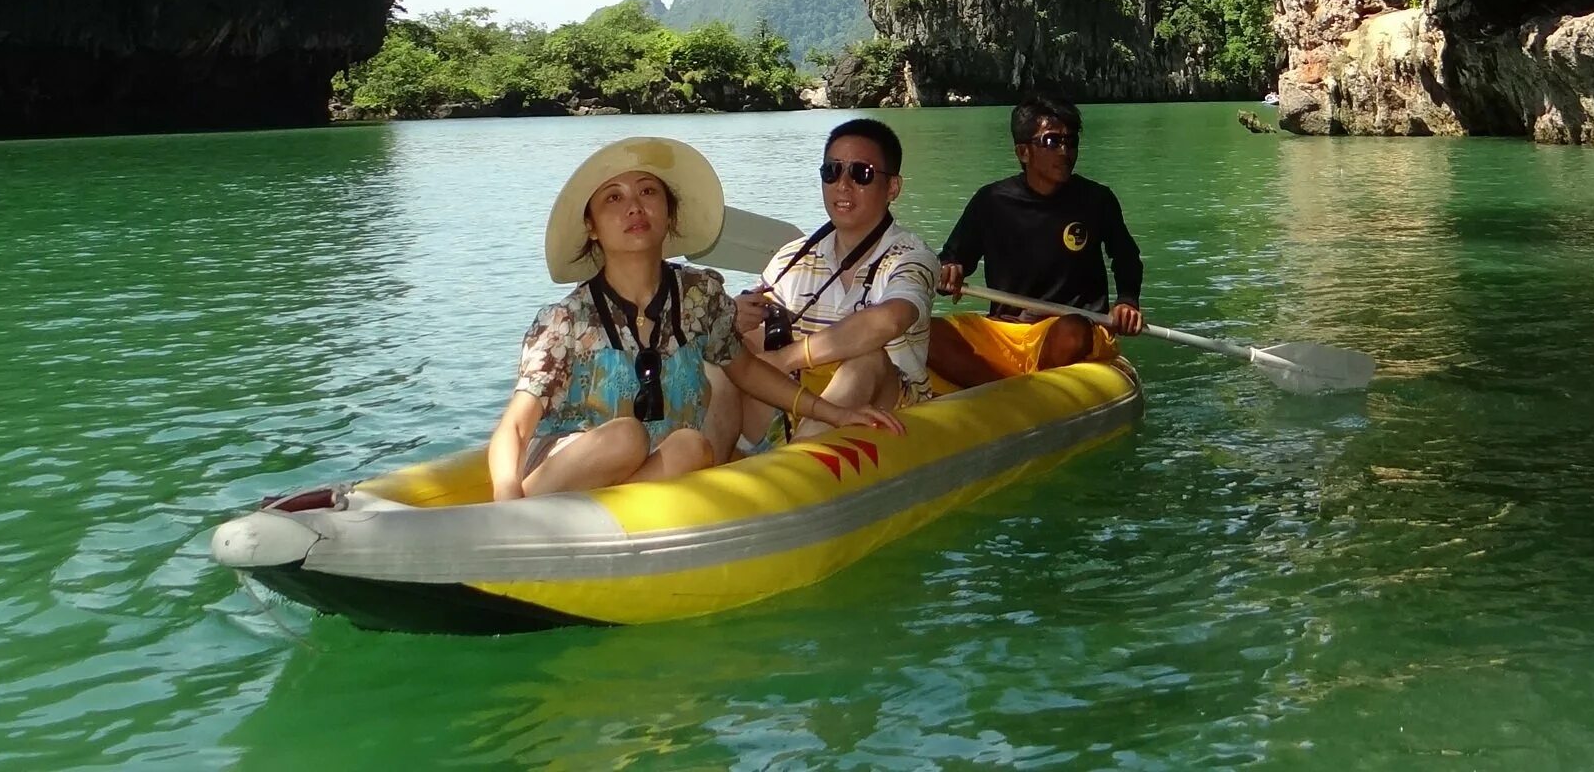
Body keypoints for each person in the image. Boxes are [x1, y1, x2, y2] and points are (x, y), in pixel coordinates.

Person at [486, 137, 903, 501]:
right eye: (613, 198)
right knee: (624, 436)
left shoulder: (699, 297)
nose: (634, 207)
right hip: (565, 473)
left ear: (669, 213)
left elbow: (747, 371)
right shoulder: (566, 321)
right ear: (591, 227)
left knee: (690, 446)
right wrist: (506, 501)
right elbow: (516, 428)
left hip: (651, 477)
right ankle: (526, 527)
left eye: (648, 192)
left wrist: (835, 414)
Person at [734, 118, 938, 442]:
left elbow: (889, 320)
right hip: (798, 405)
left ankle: (797, 467)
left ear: (893, 188)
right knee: (726, 348)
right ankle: (716, 458)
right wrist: (735, 318)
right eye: (832, 171)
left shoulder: (910, 257)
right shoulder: (791, 258)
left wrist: (785, 358)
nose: (843, 185)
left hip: (891, 415)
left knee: (868, 359)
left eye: (861, 174)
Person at [929, 95, 1144, 387]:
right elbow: (954, 259)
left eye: (1071, 142)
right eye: (1052, 141)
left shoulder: (1097, 200)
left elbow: (1126, 257)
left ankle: (1010, 390)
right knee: (922, 330)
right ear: (1023, 152)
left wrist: (1127, 301)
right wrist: (949, 268)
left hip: (1069, 329)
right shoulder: (991, 202)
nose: (1065, 152)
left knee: (1072, 332)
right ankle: (1005, 390)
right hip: (1006, 331)